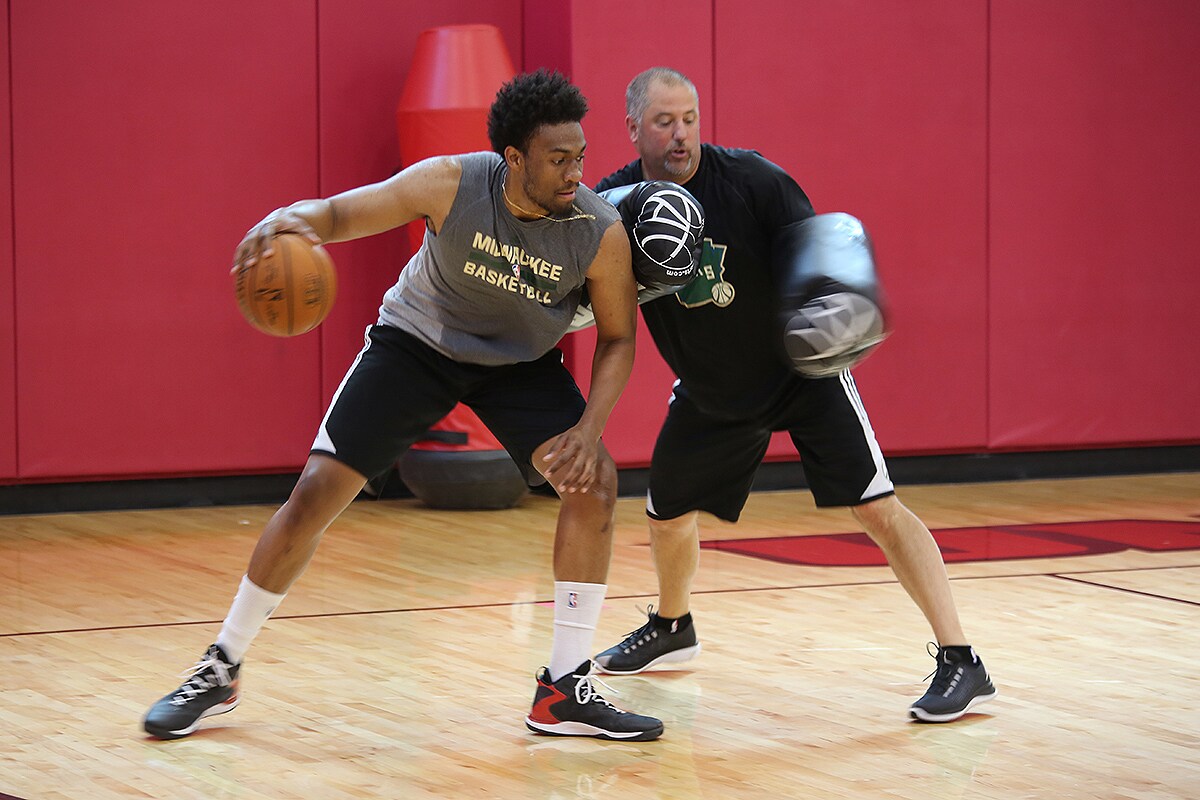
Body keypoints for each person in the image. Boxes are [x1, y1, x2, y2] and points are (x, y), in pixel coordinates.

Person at [143, 70, 664, 742]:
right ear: (514, 159)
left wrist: (592, 430)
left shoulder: (598, 229)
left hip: (518, 363)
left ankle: (563, 690)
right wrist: (288, 219)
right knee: (315, 493)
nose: (574, 174)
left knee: (594, 484)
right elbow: (340, 214)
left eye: (580, 158)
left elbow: (619, 339)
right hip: (418, 343)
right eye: (558, 160)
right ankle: (221, 668)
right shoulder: (450, 182)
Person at [590, 67, 996, 723]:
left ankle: (962, 660)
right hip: (712, 390)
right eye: (664, 122)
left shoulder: (751, 180)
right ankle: (672, 626)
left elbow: (822, 251)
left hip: (801, 379)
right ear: (633, 127)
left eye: (690, 118)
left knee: (879, 509)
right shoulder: (614, 203)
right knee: (666, 513)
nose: (680, 134)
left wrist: (843, 304)